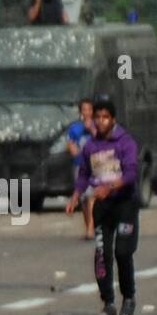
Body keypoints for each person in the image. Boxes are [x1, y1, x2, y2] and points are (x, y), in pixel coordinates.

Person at [67, 96, 138, 315]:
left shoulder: (125, 142)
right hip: (103, 206)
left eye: (105, 117)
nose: (100, 121)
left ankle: (128, 297)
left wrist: (110, 187)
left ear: (113, 119)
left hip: (124, 203)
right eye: (97, 117)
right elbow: (84, 175)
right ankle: (108, 301)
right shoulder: (90, 147)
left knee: (122, 252)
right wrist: (76, 195)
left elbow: (131, 173)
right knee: (101, 253)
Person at [65, 98, 97, 235]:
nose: (87, 112)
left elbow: (104, 140)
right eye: (84, 109)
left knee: (91, 196)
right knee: (83, 198)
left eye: (89, 109)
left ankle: (91, 227)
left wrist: (91, 129)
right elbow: (70, 144)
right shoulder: (74, 128)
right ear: (80, 112)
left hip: (96, 166)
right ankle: (88, 225)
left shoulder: (98, 125)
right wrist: (73, 150)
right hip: (80, 165)